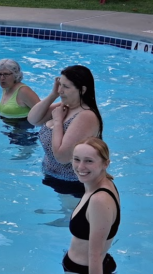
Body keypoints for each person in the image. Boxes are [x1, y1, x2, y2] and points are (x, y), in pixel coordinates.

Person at [26, 65, 103, 196]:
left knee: (69, 216)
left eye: (66, 87)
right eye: (60, 85)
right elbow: (33, 119)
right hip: (53, 176)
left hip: (73, 185)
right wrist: (53, 95)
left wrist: (57, 122)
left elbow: (62, 157)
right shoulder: (64, 107)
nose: (61, 90)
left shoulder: (86, 116)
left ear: (82, 90)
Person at [64, 138, 121, 274]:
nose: (80, 167)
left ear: (105, 164)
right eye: (77, 159)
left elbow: (94, 255)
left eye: (89, 161)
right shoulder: (99, 184)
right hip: (85, 271)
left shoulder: (99, 199)